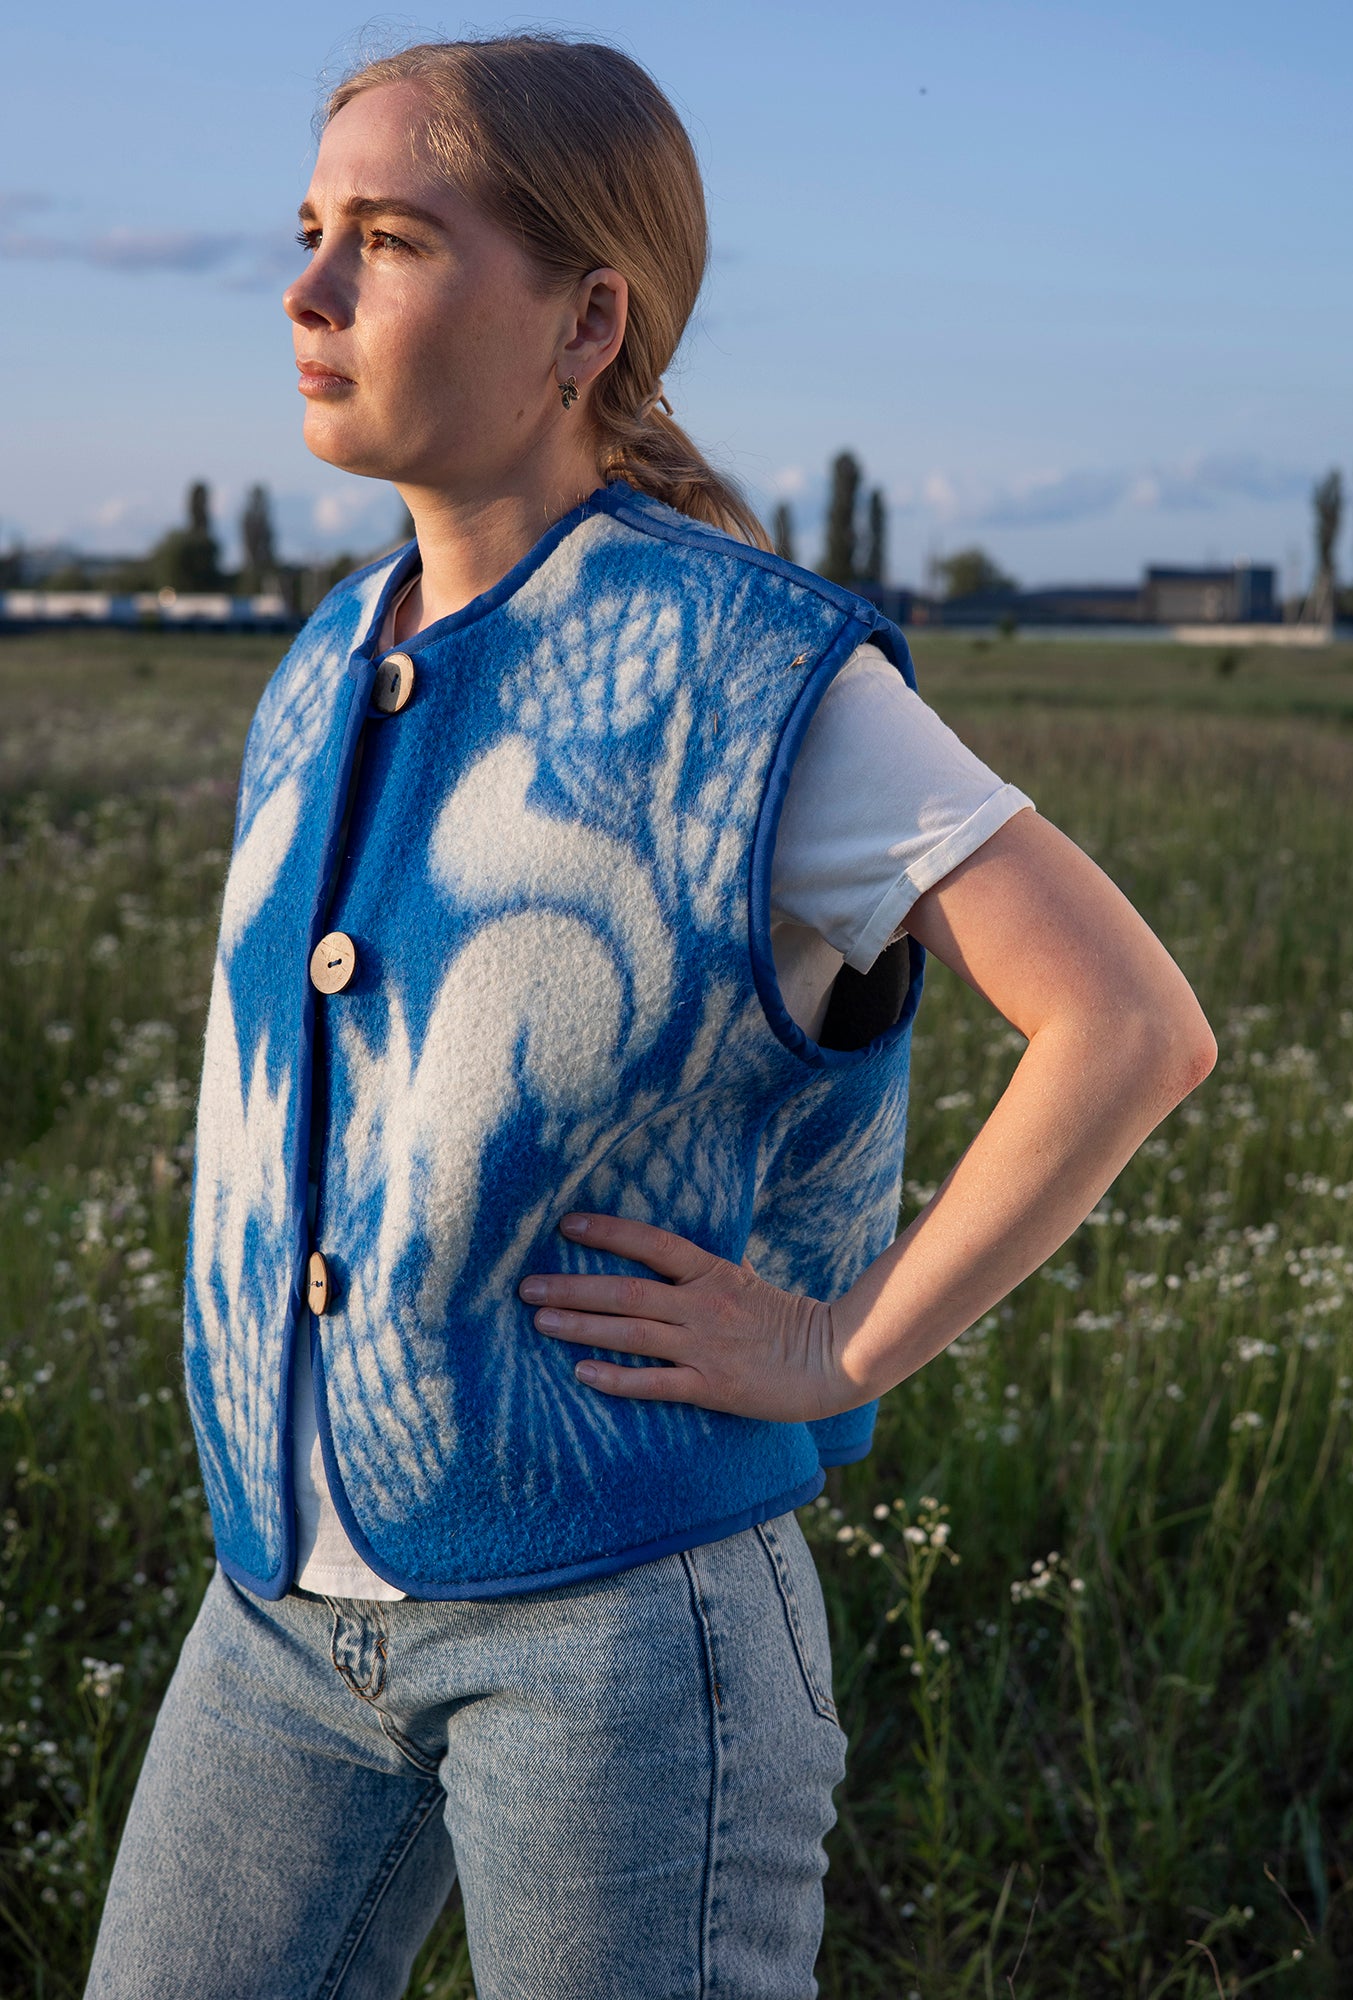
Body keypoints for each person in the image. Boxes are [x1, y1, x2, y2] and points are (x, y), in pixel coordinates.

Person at [85, 33, 1216, 2000]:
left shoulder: (759, 676)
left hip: (618, 1638)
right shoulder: (325, 660)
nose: (307, 291)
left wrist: (836, 1343)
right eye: (310, 231)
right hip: (277, 1618)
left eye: (389, 241)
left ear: (585, 320)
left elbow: (1130, 1024)